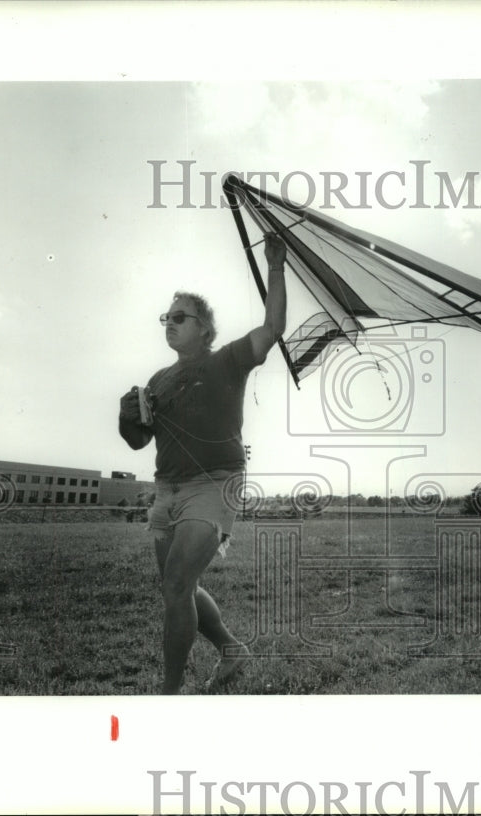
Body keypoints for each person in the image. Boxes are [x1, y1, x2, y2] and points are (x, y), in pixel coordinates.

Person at [118, 235, 287, 694]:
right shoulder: (158, 379)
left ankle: (169, 695)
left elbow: (272, 328)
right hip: (167, 489)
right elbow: (137, 442)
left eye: (179, 318)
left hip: (216, 482)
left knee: (176, 586)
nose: (169, 325)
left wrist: (274, 266)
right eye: (165, 319)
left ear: (205, 327)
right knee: (182, 588)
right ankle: (232, 648)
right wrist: (126, 417)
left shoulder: (228, 361)